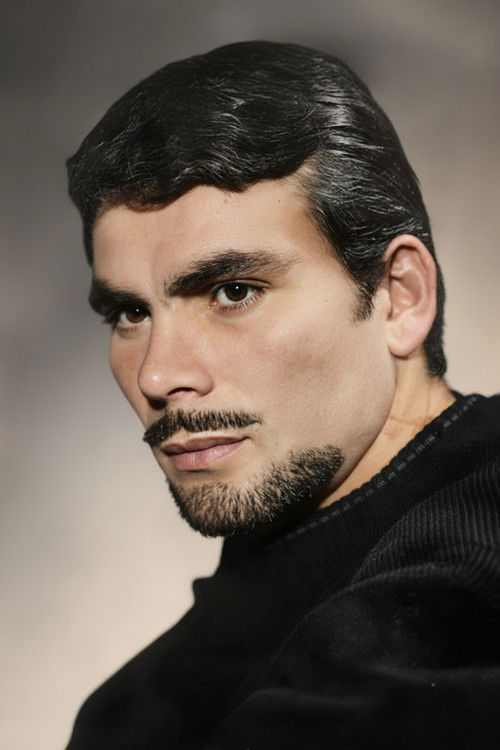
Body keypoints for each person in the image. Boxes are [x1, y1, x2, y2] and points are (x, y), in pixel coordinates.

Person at [64, 41, 500, 749]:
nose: (156, 376)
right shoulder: (128, 712)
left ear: (398, 297)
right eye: (130, 312)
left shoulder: (466, 583)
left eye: (233, 291)